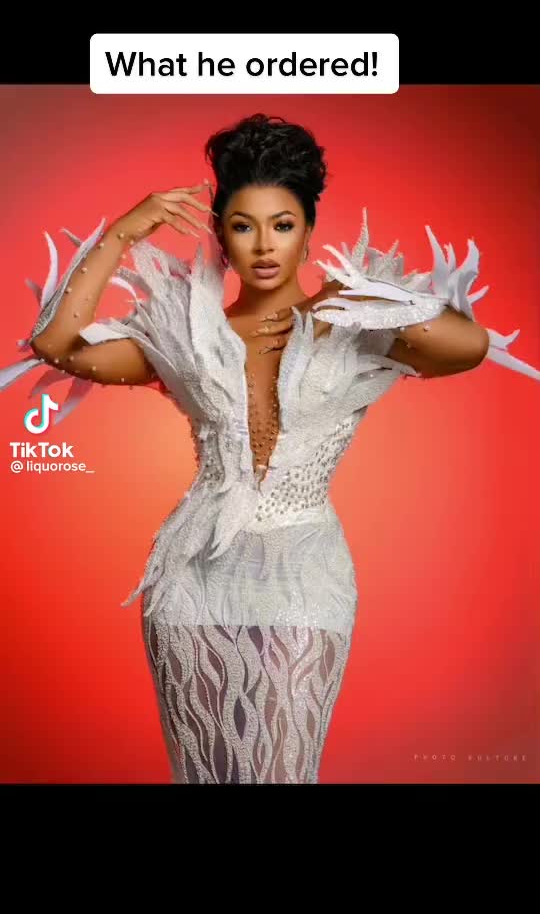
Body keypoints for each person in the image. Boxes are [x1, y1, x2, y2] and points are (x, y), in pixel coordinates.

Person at [1, 113, 539, 784]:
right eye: (242, 225)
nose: (263, 245)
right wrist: (125, 230)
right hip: (191, 582)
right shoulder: (188, 334)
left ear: (308, 233)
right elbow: (57, 345)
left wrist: (372, 297)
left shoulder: (352, 322)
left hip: (305, 573)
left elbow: (470, 346)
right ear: (221, 236)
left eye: (282, 225)